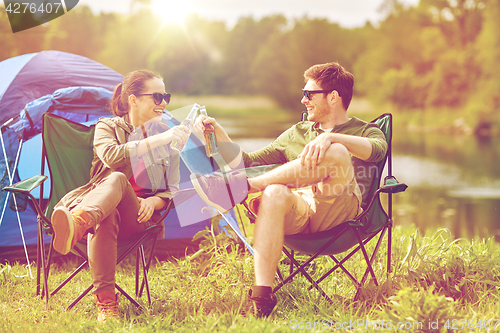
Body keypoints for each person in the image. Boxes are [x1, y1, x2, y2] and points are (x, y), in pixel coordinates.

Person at [190, 62, 388, 317]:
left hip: (340, 214)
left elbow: (378, 150)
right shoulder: (297, 132)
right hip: (300, 211)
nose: (303, 100)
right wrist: (217, 132)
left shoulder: (364, 131)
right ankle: (262, 299)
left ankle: (243, 187)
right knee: (273, 193)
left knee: (336, 152)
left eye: (309, 94)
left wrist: (332, 137)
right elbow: (247, 162)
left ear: (334, 97)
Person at [50, 70, 190, 323]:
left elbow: (172, 189)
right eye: (157, 96)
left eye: (165, 96)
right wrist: (161, 138)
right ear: (133, 100)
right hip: (107, 212)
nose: (164, 103)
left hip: (137, 219)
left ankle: (78, 223)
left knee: (117, 180)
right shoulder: (107, 127)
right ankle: (107, 306)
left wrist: (153, 201)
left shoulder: (168, 135)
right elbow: (113, 156)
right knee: (112, 192)